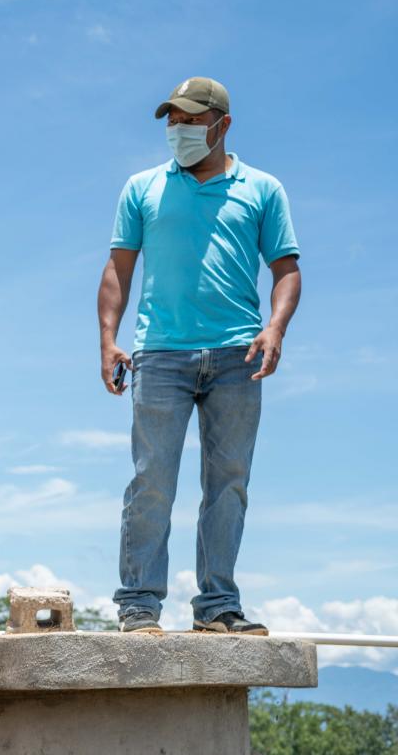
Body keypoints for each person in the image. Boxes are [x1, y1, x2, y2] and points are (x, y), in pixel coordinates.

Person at [97, 77, 301, 635]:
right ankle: (139, 605)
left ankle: (217, 607)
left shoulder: (263, 189)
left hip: (238, 355)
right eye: (173, 121)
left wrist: (275, 328)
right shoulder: (142, 188)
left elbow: (286, 270)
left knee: (229, 482)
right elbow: (119, 269)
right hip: (158, 354)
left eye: (190, 120)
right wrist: (108, 338)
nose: (179, 130)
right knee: (152, 481)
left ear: (222, 124)